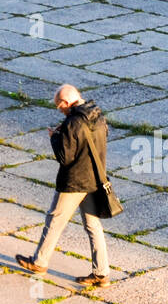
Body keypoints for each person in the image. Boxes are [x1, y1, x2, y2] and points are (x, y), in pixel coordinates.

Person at [16, 84, 110, 288]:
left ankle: (39, 262)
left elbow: (64, 157)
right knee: (93, 226)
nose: (60, 110)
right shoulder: (98, 116)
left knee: (55, 220)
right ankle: (101, 273)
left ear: (66, 102)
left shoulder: (72, 122)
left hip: (75, 181)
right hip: (95, 179)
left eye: (59, 107)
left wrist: (55, 138)